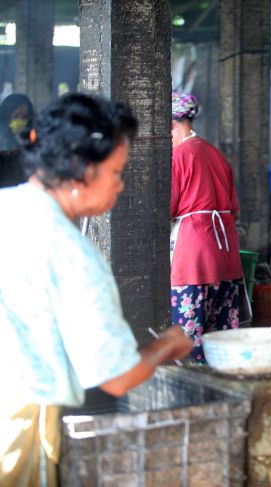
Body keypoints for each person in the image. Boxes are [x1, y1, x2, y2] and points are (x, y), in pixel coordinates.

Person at [0, 93, 193, 486]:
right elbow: (118, 377)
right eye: (117, 171)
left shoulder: (7, 207)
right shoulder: (72, 252)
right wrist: (168, 344)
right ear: (82, 168)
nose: (120, 186)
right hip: (18, 418)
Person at [170, 91, 246, 362]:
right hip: (225, 255)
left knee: (188, 341)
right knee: (223, 341)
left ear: (170, 124)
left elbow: (167, 208)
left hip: (194, 258)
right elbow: (234, 210)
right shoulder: (216, 154)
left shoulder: (178, 156)